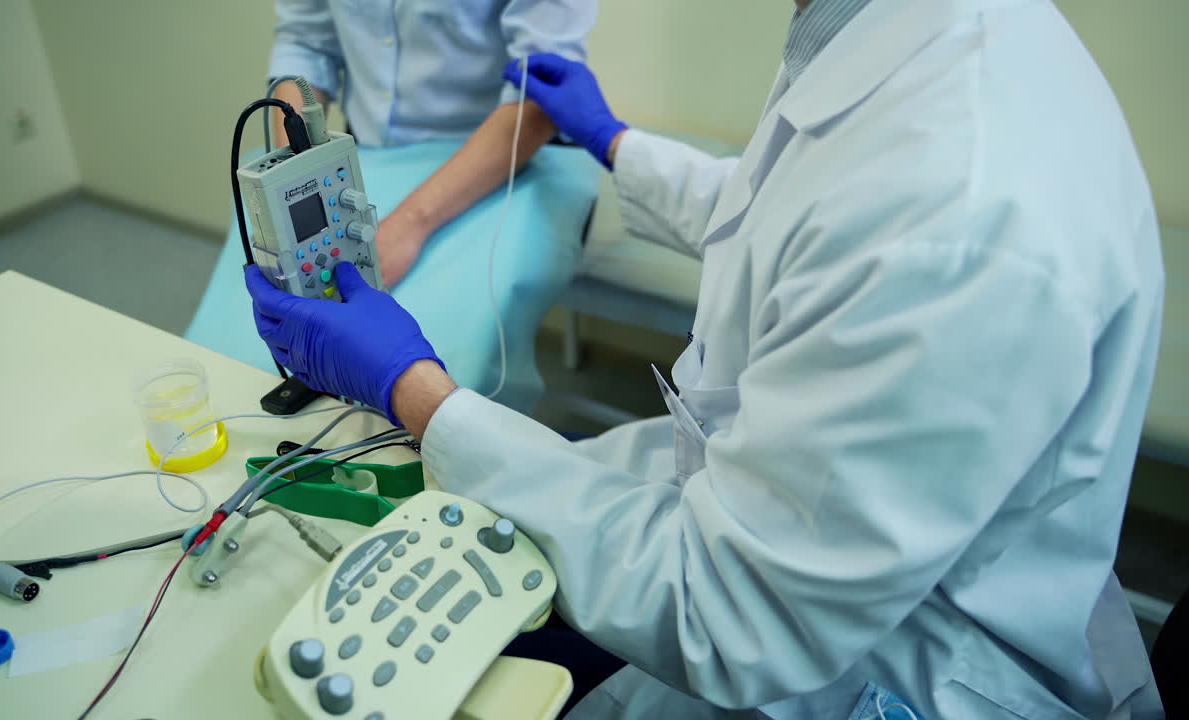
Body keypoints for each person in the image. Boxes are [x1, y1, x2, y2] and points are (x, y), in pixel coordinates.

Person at [245, 0, 1167, 717]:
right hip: (784, 530)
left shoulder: (958, 209)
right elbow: (805, 225)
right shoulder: (875, 36)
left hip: (893, 666)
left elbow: (732, 616)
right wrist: (619, 145)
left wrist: (415, 390)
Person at [267, 0, 595, 287]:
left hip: (494, 168)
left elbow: (542, 89)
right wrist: (295, 186)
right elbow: (305, 44)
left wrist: (411, 224)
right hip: (366, 159)